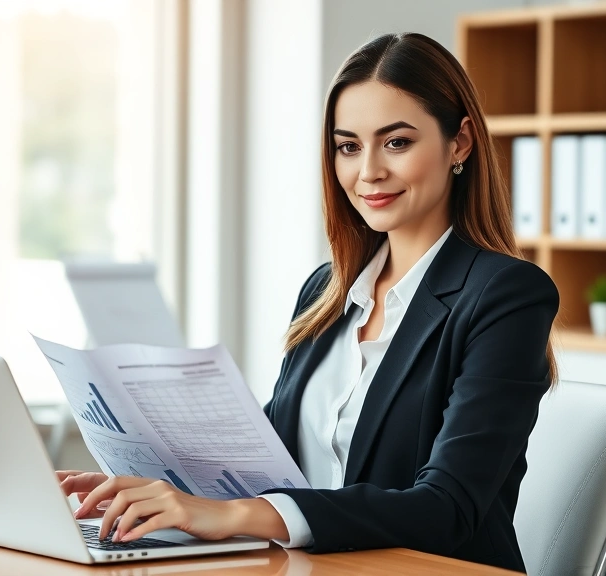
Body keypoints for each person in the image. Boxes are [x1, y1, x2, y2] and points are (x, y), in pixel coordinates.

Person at [57, 32, 558, 572]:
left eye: (396, 142)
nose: (368, 172)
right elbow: (272, 458)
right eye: (348, 146)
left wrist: (237, 517)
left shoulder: (506, 295)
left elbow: (448, 508)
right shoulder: (326, 292)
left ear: (459, 143)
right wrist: (156, 486)